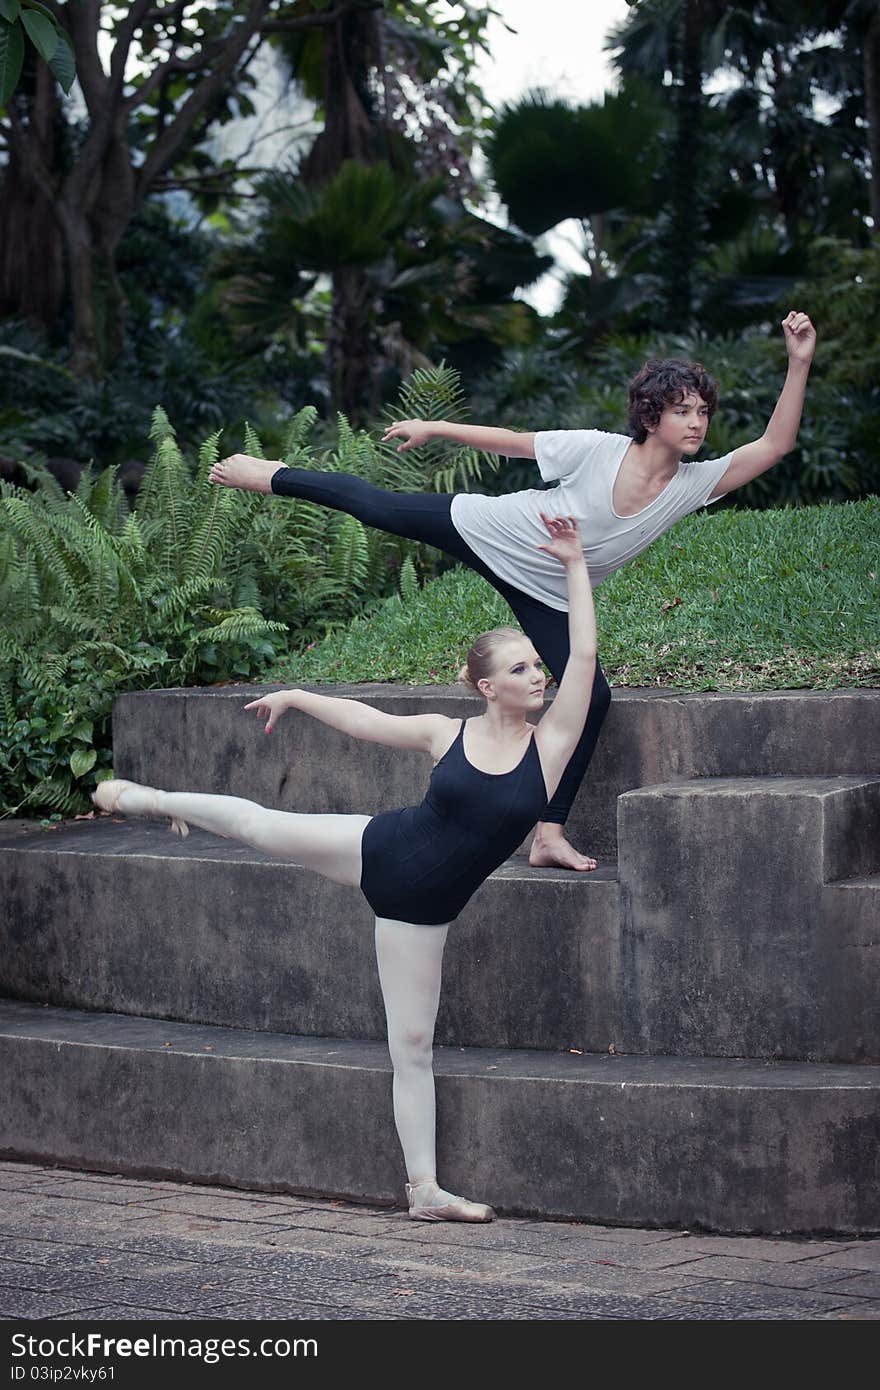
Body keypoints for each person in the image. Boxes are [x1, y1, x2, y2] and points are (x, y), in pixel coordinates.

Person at [92, 514, 597, 1224]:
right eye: (519, 668)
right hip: (380, 849)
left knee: (412, 1044)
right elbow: (363, 721)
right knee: (259, 825)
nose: (536, 675)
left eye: (533, 666)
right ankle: (151, 799)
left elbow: (583, 655)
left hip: (420, 913)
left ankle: (424, 1193)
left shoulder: (553, 745)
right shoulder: (444, 733)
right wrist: (297, 696)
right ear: (486, 687)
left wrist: (574, 562)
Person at [209, 310, 817, 871]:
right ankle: (271, 476)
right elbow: (517, 442)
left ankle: (548, 834)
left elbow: (775, 445)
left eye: (703, 413)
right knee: (382, 508)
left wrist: (798, 363)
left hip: (550, 591)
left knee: (594, 698)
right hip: (489, 530)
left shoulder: (697, 483)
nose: (696, 423)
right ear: (652, 416)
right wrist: (435, 426)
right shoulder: (601, 451)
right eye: (683, 411)